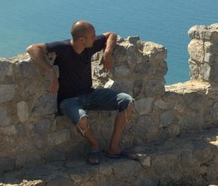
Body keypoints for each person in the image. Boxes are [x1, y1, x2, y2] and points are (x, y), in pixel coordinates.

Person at [26, 20, 136, 165]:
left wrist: (108, 52)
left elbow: (111, 35)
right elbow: (32, 49)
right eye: (92, 36)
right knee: (82, 119)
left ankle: (113, 147)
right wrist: (51, 71)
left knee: (127, 101)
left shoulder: (89, 47)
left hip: (90, 94)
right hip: (68, 101)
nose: (95, 38)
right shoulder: (63, 48)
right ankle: (94, 145)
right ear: (81, 40)